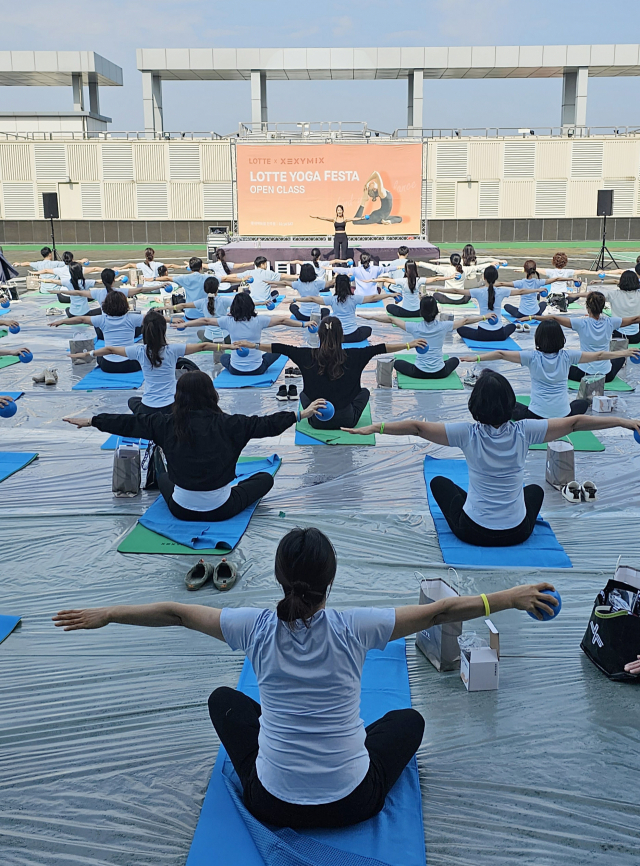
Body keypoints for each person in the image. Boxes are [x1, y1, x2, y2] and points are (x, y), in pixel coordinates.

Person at [52, 524, 560, 828]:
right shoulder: (356, 626)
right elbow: (438, 612)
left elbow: (178, 612)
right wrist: (507, 598)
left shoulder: (252, 625)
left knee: (223, 700)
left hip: (270, 802)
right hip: (352, 801)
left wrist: (110, 613)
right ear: (330, 581)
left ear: (278, 578)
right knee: (409, 719)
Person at [345, 369, 640, 546]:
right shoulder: (526, 430)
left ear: (475, 406)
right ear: (511, 404)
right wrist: (624, 423)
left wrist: (376, 427)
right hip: (517, 532)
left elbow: (418, 428)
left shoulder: (466, 433)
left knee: (439, 482)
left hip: (472, 531)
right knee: (535, 490)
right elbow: (575, 422)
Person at [63, 372, 324, 522]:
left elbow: (129, 424)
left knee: (163, 477)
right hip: (220, 510)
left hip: (180, 510)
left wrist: (92, 421)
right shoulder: (230, 424)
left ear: (178, 397)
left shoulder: (164, 423)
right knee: (265, 478)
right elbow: (267, 424)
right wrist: (301, 414)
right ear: (212, 394)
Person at [235, 316, 426, 429]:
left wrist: (252, 345)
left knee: (302, 394)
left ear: (319, 335)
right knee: (365, 392)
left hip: (316, 420)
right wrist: (409, 344)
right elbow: (382, 348)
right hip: (348, 420)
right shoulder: (356, 354)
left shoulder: (306, 354)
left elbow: (280, 347)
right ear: (341, 335)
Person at [461, 319, 639, 420]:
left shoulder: (531, 357)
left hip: (535, 416)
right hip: (563, 416)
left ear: (538, 339)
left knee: (509, 404)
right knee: (583, 403)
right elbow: (599, 355)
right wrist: (624, 352)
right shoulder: (568, 356)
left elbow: (500, 353)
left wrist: (475, 357)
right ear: (561, 339)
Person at [71, 311, 211, 415]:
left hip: (148, 408)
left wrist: (86, 354)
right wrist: (225, 347)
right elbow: (203, 346)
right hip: (171, 407)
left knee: (132, 401)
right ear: (163, 330)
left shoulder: (138, 351)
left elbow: (110, 349)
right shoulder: (173, 349)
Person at [176, 292, 308, 376]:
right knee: (277, 350)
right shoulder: (259, 320)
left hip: (235, 370)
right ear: (251, 306)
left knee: (223, 358)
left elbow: (205, 320)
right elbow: (283, 320)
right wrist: (303, 324)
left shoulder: (228, 321)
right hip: (258, 369)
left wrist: (185, 324)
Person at [534, 290, 640, 383]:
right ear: (603, 307)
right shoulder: (611, 322)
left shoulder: (581, 323)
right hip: (607, 376)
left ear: (587, 307)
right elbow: (634, 319)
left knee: (561, 363)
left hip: (584, 374)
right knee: (620, 357)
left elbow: (554, 318)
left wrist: (531, 317)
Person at [375, 296, 485, 380]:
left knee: (397, 363)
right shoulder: (444, 325)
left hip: (419, 372)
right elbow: (465, 321)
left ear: (421, 311)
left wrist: (370, 317)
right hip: (440, 372)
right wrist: (484, 317)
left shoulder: (414, 327)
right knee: (455, 359)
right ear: (436, 311)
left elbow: (392, 320)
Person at [444, 265, 543, 342]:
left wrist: (436, 289)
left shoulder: (478, 291)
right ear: (496, 278)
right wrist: (537, 289)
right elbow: (521, 291)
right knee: (512, 326)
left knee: (460, 329)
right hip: (499, 334)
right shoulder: (501, 291)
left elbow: (456, 291)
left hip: (482, 334)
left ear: (484, 278)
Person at [53, 291, 144, 374]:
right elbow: (153, 319)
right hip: (131, 365)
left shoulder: (102, 319)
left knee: (100, 356)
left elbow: (81, 319)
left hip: (108, 366)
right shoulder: (133, 318)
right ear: (125, 304)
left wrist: (62, 321)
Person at [296, 273, 385, 344]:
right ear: (348, 285)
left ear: (336, 286)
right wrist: (390, 295)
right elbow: (373, 297)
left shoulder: (332, 299)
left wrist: (295, 299)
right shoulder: (354, 298)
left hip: (337, 336)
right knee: (368, 329)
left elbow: (312, 299)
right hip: (353, 335)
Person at [581, 269, 640, 345]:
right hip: (636, 335)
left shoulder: (614, 294)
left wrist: (575, 295)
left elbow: (595, 294)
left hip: (618, 334)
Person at [171, 276, 234, 346]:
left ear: (205, 289)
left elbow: (184, 305)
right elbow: (239, 304)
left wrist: (166, 307)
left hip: (208, 339)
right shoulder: (224, 300)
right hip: (226, 338)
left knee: (199, 332)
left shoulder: (202, 302)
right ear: (217, 288)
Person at [366, 262, 442, 318]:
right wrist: (448, 277)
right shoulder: (419, 280)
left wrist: (372, 280)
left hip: (405, 312)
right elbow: (436, 278)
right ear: (415, 269)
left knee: (389, 307)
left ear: (405, 270)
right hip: (418, 312)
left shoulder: (402, 281)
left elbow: (385, 279)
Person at [499, 260, 566, 321]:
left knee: (506, 306)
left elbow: (502, 283)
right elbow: (556, 279)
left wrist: (492, 284)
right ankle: (534, 315)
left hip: (522, 314)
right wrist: (572, 279)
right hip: (536, 313)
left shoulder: (520, 283)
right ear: (534, 271)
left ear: (524, 270)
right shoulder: (538, 282)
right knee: (544, 303)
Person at [424, 252, 501, 304]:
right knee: (470, 293)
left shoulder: (446, 269)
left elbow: (432, 267)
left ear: (450, 262)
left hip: (447, 299)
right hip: (462, 300)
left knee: (435, 294)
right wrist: (491, 264)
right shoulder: (465, 269)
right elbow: (478, 267)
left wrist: (418, 263)